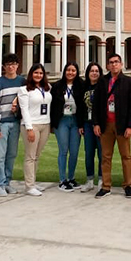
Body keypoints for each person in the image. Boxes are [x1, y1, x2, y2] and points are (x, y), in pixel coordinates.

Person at [93, 53, 131, 198]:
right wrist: (96, 123)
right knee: (105, 156)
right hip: (106, 124)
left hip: (122, 124)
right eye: (111, 62)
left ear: (121, 64)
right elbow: (96, 104)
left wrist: (130, 126)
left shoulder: (128, 81)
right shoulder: (102, 81)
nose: (114, 64)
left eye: (116, 62)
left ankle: (128, 185)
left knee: (126, 156)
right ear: (107, 65)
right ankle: (106, 186)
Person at [0, 53, 25, 197]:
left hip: (15, 123)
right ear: (4, 67)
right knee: (0, 156)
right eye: (8, 64)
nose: (11, 67)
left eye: (14, 64)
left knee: (12, 154)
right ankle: (0, 184)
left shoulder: (22, 82)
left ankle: (7, 182)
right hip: (2, 123)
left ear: (17, 65)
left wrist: (18, 110)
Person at [51, 61, 86, 191]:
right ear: (64, 71)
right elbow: (52, 105)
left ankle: (71, 178)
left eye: (73, 70)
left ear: (76, 72)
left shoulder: (81, 85)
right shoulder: (57, 86)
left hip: (75, 120)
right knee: (63, 150)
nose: (70, 73)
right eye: (68, 70)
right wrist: (52, 124)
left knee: (75, 151)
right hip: (62, 121)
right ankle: (62, 180)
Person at [18, 63, 52, 196]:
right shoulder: (24, 90)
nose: (38, 75)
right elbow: (24, 110)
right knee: (30, 156)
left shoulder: (48, 88)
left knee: (37, 156)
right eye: (36, 73)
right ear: (31, 74)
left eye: (41, 73)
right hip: (32, 125)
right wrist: (29, 128)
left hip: (45, 124)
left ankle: (33, 182)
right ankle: (29, 186)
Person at [81, 62, 103, 192]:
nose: (94, 73)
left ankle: (101, 179)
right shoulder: (83, 87)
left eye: (96, 71)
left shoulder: (103, 87)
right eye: (91, 71)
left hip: (99, 124)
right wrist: (80, 124)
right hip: (87, 124)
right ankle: (89, 180)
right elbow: (80, 107)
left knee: (101, 153)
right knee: (89, 153)